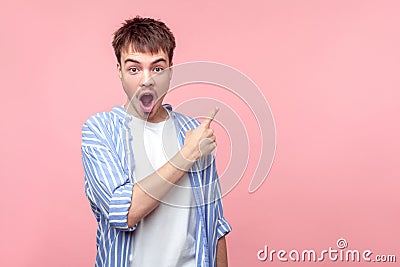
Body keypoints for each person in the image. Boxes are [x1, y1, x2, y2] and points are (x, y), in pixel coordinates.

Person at [81, 16, 231, 267]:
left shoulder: (193, 131)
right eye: (134, 69)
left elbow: (214, 224)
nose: (147, 79)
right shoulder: (100, 130)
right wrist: (186, 155)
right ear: (119, 70)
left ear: (171, 71)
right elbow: (124, 213)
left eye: (158, 68)